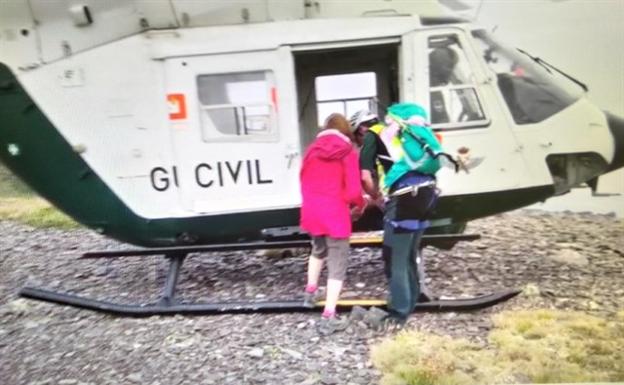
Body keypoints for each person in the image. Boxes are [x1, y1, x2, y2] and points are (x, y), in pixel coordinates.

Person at [353, 103, 444, 328]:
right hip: (428, 194)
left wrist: (375, 196)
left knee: (394, 255)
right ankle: (410, 302)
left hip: (404, 198)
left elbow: (365, 177)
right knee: (409, 252)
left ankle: (398, 313)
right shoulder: (405, 133)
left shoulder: (374, 137)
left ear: (361, 129)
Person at [300, 113, 365, 331]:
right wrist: (357, 204)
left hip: (312, 209)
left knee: (317, 249)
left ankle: (310, 293)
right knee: (338, 261)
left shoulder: (311, 150)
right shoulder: (348, 152)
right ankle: (328, 315)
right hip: (335, 212)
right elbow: (354, 190)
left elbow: (302, 178)